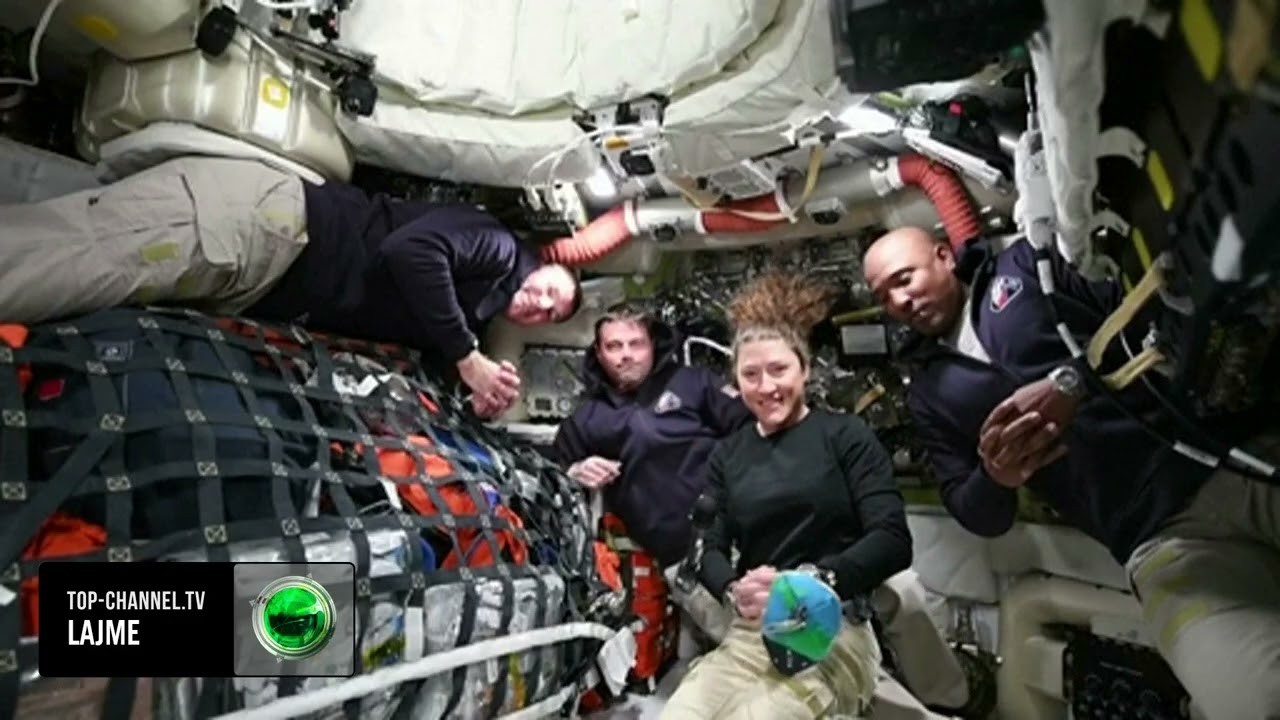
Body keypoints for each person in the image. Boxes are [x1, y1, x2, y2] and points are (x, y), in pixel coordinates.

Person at [862, 226, 1280, 720]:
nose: (899, 301)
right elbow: (974, 512)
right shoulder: (930, 393)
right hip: (1160, 540)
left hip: (1234, 460)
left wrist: (1072, 382)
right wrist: (996, 476)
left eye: (904, 279)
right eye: (883, 296)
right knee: (1252, 700)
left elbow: (1153, 310)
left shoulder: (1027, 267)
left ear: (943, 256)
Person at [0, 155, 581, 418]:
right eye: (549, 289)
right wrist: (468, 358)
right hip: (265, 229)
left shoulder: (469, 313)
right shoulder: (496, 245)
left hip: (261, 278)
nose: (541, 304)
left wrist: (474, 395)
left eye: (550, 314)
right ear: (538, 262)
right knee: (72, 259)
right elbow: (411, 252)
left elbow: (420, 358)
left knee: (70, 271)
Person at [661, 272, 912, 720]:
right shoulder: (728, 454)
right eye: (750, 374)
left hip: (830, 628)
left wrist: (809, 582)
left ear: (805, 370)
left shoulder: (846, 436)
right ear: (737, 382)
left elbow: (893, 539)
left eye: (779, 370)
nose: (766, 386)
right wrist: (734, 589)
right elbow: (706, 547)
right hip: (752, 631)